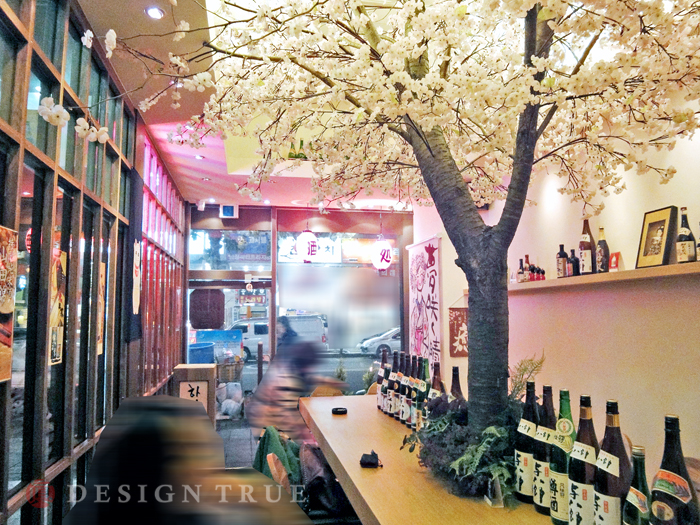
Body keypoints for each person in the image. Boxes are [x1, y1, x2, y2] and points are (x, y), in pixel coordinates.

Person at [246, 317, 345, 442]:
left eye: (277, 326)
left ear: (283, 326)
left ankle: (292, 440)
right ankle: (292, 438)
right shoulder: (286, 338)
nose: (275, 329)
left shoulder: (289, 340)